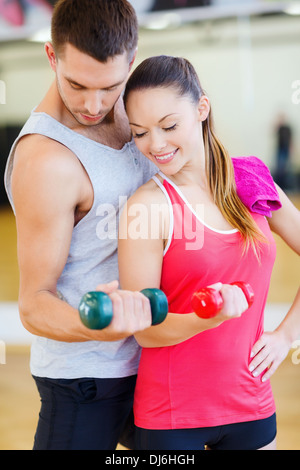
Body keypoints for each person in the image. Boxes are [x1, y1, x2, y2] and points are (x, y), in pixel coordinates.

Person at [118, 55, 300, 450]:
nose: (156, 145)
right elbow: (146, 331)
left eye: (168, 126)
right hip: (170, 416)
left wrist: (287, 335)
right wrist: (209, 317)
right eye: (140, 133)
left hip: (251, 404)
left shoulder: (250, 178)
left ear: (202, 108)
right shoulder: (146, 207)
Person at [4, 0, 157, 450]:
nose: (94, 104)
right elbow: (33, 304)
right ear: (52, 57)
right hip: (85, 379)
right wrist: (100, 326)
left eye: (110, 85)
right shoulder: (45, 160)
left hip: (155, 360)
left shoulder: (135, 110)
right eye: (76, 84)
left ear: (132, 59)